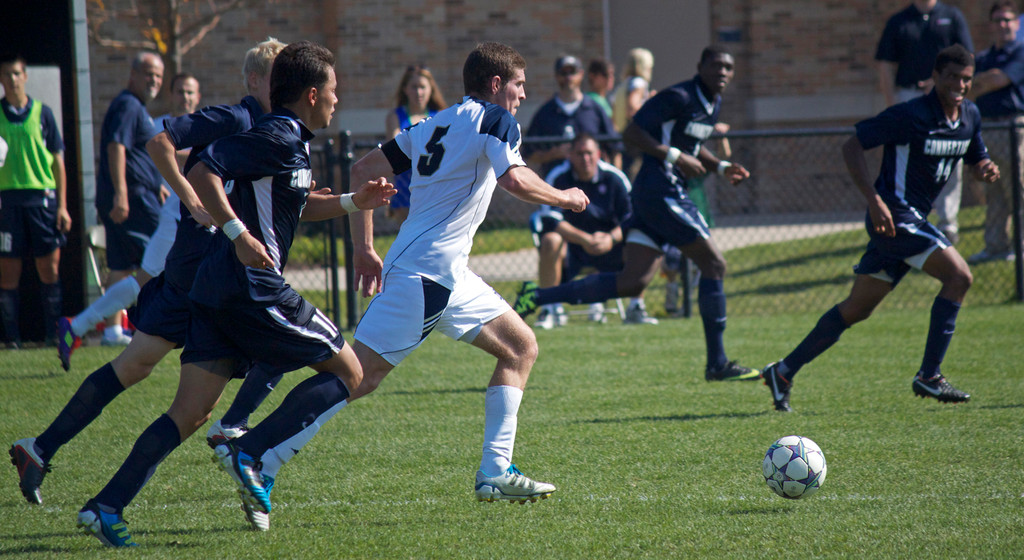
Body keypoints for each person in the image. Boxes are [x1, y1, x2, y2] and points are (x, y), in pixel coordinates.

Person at [76, 41, 394, 548]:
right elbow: (204, 172)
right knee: (351, 371)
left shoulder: (292, 140)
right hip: (251, 286)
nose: (339, 99)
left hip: (218, 290)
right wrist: (237, 235)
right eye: (334, 90)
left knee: (189, 412)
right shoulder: (276, 135)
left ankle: (105, 505)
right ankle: (251, 451)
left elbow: (296, 204)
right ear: (312, 94)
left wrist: (358, 201)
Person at [8, 39, 284, 512]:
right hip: (202, 277)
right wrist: (191, 200)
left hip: (200, 274)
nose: (286, 88)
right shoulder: (236, 118)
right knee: (219, 391)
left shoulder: (269, 129)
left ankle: (41, 448)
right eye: (279, 78)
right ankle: (239, 455)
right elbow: (160, 142)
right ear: (256, 80)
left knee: (135, 367)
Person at [328, 41, 587, 506]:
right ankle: (257, 446)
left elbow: (362, 168)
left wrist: (365, 247)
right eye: (519, 84)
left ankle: (496, 470)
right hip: (425, 272)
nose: (524, 95)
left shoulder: (437, 120)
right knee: (359, 376)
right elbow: (515, 179)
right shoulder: (496, 120)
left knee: (521, 347)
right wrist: (566, 196)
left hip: (449, 273)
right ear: (495, 84)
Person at [761, 45, 1000, 413]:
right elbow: (852, 145)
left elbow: (974, 152)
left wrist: (984, 165)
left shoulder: (970, 114)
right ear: (935, 77)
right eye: (952, 76)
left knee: (856, 309)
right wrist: (874, 200)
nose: (959, 85)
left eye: (966, 78)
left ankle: (784, 371)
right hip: (895, 217)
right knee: (960, 277)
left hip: (911, 221)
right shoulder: (909, 115)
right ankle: (930, 376)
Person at [514, 46, 760, 382]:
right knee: (714, 263)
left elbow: (688, 144)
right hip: (660, 191)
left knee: (633, 283)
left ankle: (537, 295)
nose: (723, 72)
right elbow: (631, 132)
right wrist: (673, 156)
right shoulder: (679, 96)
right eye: (716, 65)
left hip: (660, 192)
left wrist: (721, 167)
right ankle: (717, 363)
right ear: (700, 65)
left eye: (729, 67)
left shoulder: (711, 103)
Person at [53, 73, 203, 370]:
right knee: (141, 280)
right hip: (175, 215)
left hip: (185, 214)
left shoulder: (205, 126)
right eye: (180, 91)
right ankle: (84, 326)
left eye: (191, 93)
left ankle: (94, 327)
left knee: (157, 279)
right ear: (171, 95)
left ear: (198, 97)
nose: (185, 97)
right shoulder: (158, 125)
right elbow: (152, 153)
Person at [876, 0, 974, 244]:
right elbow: (885, 64)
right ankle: (910, 220)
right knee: (908, 159)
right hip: (909, 97)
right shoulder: (899, 21)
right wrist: (892, 104)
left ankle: (948, 224)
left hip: (944, 97)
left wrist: (950, 87)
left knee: (949, 154)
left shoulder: (952, 16)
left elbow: (967, 58)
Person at [94, 51, 166, 347]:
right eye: (148, 74)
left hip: (141, 195)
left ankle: (113, 330)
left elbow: (139, 154)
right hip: (132, 200)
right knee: (160, 259)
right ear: (133, 75)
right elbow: (116, 148)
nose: (154, 80)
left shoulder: (136, 107)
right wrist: (122, 194)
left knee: (123, 265)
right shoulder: (128, 105)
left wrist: (158, 184)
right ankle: (151, 324)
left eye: (159, 76)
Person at [529, 133, 633, 328]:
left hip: (610, 248)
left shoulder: (615, 178)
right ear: (570, 155)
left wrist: (610, 238)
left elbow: (631, 218)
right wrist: (585, 240)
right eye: (580, 153)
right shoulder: (558, 177)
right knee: (551, 239)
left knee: (637, 238)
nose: (585, 159)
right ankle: (549, 307)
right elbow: (551, 220)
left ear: (599, 154)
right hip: (572, 249)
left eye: (589, 153)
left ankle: (636, 307)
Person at [0, 55, 69, 348]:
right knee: (8, 272)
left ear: (25, 76)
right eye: (6, 74)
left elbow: (57, 161)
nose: (12, 79)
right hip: (8, 201)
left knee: (49, 269)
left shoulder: (43, 114)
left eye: (17, 73)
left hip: (42, 199)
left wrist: (63, 206)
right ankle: (12, 339)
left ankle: (54, 336)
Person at [968, 0, 1024, 263]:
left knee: (1018, 187)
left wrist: (979, 82)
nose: (1003, 24)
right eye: (998, 20)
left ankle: (1021, 248)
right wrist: (984, 80)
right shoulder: (983, 57)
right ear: (991, 25)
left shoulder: (1020, 51)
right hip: (987, 128)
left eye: (1008, 19)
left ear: (1017, 22)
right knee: (993, 190)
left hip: (1014, 127)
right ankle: (995, 246)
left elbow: (1000, 79)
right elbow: (971, 83)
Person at [663, 121, 731, 314]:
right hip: (673, 221)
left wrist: (722, 136)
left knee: (698, 267)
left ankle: (690, 305)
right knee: (671, 265)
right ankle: (671, 304)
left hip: (696, 218)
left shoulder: (697, 170)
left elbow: (723, 159)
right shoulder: (668, 173)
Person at [523, 54, 621, 176]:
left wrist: (615, 176)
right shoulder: (545, 112)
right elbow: (528, 153)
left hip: (593, 186)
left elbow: (615, 148)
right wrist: (553, 154)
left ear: (581, 74)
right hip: (557, 185)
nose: (568, 77)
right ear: (556, 76)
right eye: (563, 73)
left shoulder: (595, 109)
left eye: (572, 72)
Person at [384, 64, 446, 225]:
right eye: (414, 87)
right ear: (405, 89)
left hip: (433, 186)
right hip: (405, 186)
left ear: (430, 89)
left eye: (422, 87)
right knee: (407, 238)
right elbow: (395, 150)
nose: (419, 92)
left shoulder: (440, 117)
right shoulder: (395, 116)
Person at [612, 48, 655, 178]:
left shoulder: (624, 84)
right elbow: (632, 108)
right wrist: (650, 102)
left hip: (623, 137)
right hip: (635, 140)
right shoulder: (638, 83)